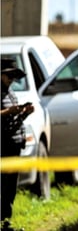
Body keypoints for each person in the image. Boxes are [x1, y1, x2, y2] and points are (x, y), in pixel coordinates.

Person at [1, 58, 34, 231]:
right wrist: (9, 111)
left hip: (14, 146)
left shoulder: (11, 93)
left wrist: (24, 113)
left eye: (14, 76)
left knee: (10, 188)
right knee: (2, 186)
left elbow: (14, 121)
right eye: (9, 76)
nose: (12, 79)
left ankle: (6, 223)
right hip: (3, 148)